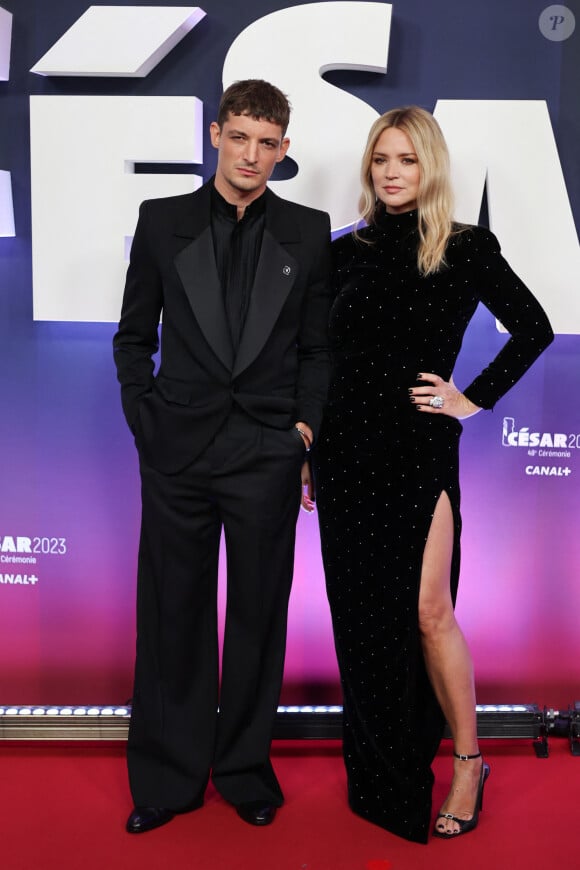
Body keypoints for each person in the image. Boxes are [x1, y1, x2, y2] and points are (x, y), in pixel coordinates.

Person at [313, 106, 553, 843]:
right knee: (363, 623)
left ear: (430, 167)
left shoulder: (466, 247)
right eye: (381, 159)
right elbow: (319, 361)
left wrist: (471, 399)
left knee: (426, 612)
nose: (391, 172)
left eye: (407, 160)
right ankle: (382, 774)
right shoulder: (341, 253)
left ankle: (468, 761)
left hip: (418, 451)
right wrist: (306, 451)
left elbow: (534, 327)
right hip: (345, 452)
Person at [113, 79, 331, 834]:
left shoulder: (308, 230)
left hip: (266, 453)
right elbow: (133, 335)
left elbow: (317, 348)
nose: (252, 155)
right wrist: (146, 418)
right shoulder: (162, 220)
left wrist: (302, 433)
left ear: (284, 149)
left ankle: (243, 771)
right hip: (177, 449)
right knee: (172, 613)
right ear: (216, 136)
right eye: (240, 137)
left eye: (267, 143)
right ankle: (168, 779)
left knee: (258, 619)